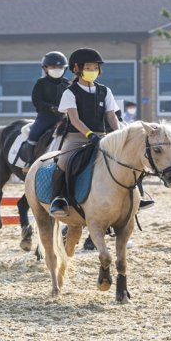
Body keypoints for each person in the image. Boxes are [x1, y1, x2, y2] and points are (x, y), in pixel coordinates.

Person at [48, 48, 122, 217]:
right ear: (76, 69)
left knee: (125, 159)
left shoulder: (105, 91)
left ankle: (136, 196)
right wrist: (90, 135)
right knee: (64, 162)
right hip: (78, 137)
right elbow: (74, 119)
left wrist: (119, 135)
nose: (92, 71)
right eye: (88, 68)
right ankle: (59, 198)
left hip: (102, 136)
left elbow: (111, 116)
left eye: (95, 68)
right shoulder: (70, 92)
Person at [18, 51, 70, 164]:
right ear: (45, 68)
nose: (57, 69)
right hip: (45, 117)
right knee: (34, 134)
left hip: (64, 117)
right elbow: (37, 100)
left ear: (64, 68)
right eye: (53, 67)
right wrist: (51, 108)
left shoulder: (67, 85)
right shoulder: (41, 83)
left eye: (60, 67)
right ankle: (29, 161)